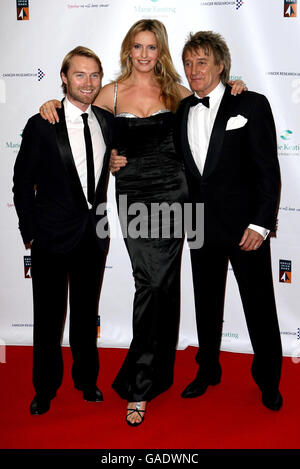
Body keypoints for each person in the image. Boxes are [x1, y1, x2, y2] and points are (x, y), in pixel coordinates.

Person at [39, 20, 246, 426]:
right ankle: (150, 374)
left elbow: (214, 101)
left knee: (164, 286)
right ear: (128, 50)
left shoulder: (178, 91)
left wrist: (236, 84)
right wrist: (49, 105)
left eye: (152, 47)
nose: (145, 55)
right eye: (138, 47)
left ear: (160, 50)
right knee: (149, 283)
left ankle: (142, 383)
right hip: (133, 196)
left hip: (175, 193)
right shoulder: (110, 92)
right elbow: (78, 117)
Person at [175, 31, 282, 410]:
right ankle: (207, 370)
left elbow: (268, 169)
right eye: (188, 63)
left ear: (221, 66)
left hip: (245, 229)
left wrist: (261, 224)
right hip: (200, 225)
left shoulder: (251, 103)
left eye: (202, 62)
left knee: (260, 306)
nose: (193, 70)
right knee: (206, 304)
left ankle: (269, 379)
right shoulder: (182, 109)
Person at [13, 46, 114, 415]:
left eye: (94, 75)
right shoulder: (42, 123)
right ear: (64, 78)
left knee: (87, 315)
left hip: (94, 235)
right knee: (48, 319)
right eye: (80, 75)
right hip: (51, 238)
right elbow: (21, 184)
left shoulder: (106, 120)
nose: (88, 83)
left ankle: (87, 381)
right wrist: (31, 233)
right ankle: (45, 388)